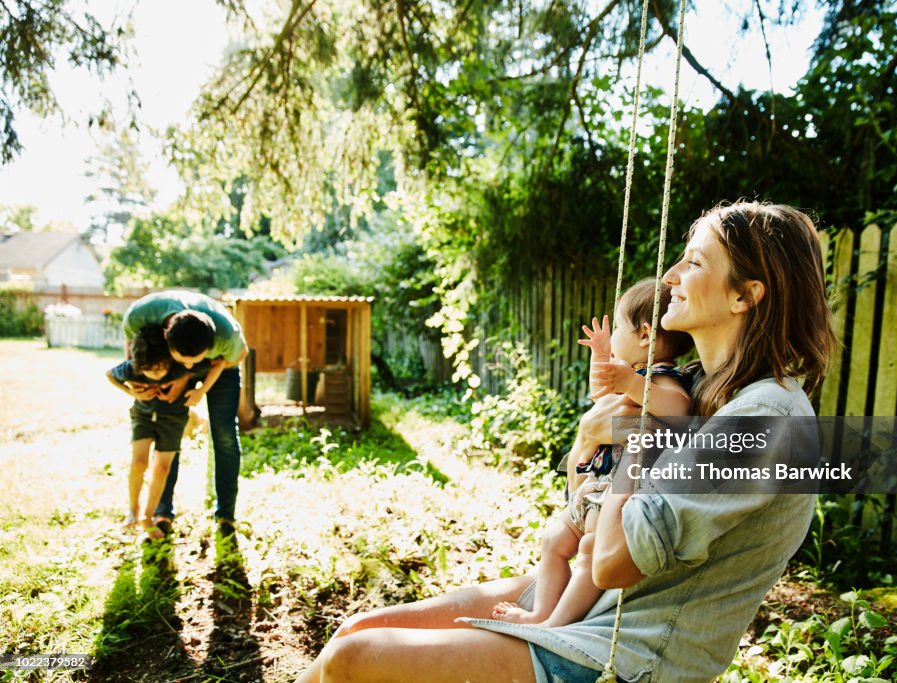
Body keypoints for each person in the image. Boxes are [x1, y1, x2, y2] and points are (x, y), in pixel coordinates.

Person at [296, 201, 836, 683]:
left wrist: (637, 445)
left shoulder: (769, 417)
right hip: (589, 609)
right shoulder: (698, 388)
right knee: (355, 628)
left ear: (746, 294)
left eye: (693, 262)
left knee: (355, 661)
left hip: (624, 652)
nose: (670, 276)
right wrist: (600, 435)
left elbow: (612, 563)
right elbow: (587, 481)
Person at [491, 278, 692, 627]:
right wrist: (601, 356)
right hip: (595, 487)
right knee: (554, 539)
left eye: (617, 328)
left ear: (645, 335)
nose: (613, 337)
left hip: (618, 496)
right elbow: (600, 396)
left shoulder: (662, 378)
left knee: (589, 552)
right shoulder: (633, 372)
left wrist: (630, 382)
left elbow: (680, 410)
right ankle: (540, 611)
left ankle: (554, 624)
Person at [122, 290, 249, 536]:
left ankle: (225, 515)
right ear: (165, 337)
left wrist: (197, 385)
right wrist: (137, 383)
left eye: (195, 360)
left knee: (224, 432)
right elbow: (130, 350)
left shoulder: (225, 334)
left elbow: (238, 356)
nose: (191, 364)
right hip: (173, 367)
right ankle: (162, 512)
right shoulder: (140, 315)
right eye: (185, 361)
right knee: (169, 429)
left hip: (221, 370)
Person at [106, 324, 198, 540]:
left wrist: (184, 381)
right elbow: (110, 374)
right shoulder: (133, 368)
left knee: (162, 468)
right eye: (150, 370)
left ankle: (148, 517)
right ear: (140, 364)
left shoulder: (179, 366)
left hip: (173, 419)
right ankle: (133, 509)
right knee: (139, 463)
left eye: (161, 368)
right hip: (143, 416)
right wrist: (130, 391)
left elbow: (202, 367)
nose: (156, 374)